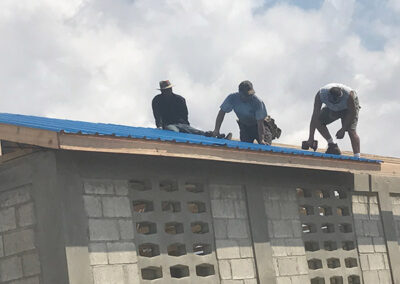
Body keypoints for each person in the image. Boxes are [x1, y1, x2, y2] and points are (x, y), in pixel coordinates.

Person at [152, 80, 231, 139]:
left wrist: (186, 126)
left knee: (197, 132)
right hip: (168, 125)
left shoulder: (180, 99)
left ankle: (216, 136)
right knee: (174, 132)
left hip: (182, 124)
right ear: (162, 91)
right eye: (165, 90)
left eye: (169, 89)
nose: (168, 91)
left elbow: (185, 114)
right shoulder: (156, 100)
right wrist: (159, 126)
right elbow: (157, 115)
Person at [305, 83, 360, 156]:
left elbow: (352, 113)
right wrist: (311, 137)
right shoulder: (321, 94)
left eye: (337, 100)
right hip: (332, 108)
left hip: (348, 109)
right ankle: (332, 145)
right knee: (318, 121)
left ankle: (357, 156)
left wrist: (343, 129)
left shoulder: (349, 96)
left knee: (351, 130)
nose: (335, 101)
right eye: (333, 100)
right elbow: (315, 115)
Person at [212, 80, 273, 144]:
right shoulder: (232, 98)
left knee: (265, 146)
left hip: (260, 127)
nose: (249, 97)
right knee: (245, 148)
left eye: (250, 95)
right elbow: (221, 113)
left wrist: (262, 140)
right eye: (247, 96)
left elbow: (260, 123)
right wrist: (216, 130)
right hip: (245, 128)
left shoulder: (257, 102)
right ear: (240, 93)